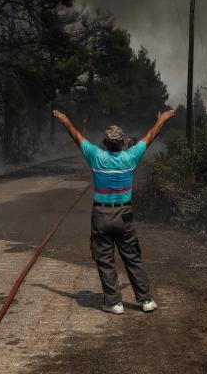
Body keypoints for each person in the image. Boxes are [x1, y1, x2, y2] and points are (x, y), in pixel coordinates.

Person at [52, 109, 176, 314]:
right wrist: (161, 119)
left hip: (101, 215)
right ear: (122, 143)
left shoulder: (95, 156)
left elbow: (76, 136)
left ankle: (114, 303)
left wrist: (65, 120)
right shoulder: (131, 157)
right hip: (124, 215)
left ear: (105, 142)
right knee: (132, 257)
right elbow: (151, 136)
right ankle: (146, 300)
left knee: (105, 259)